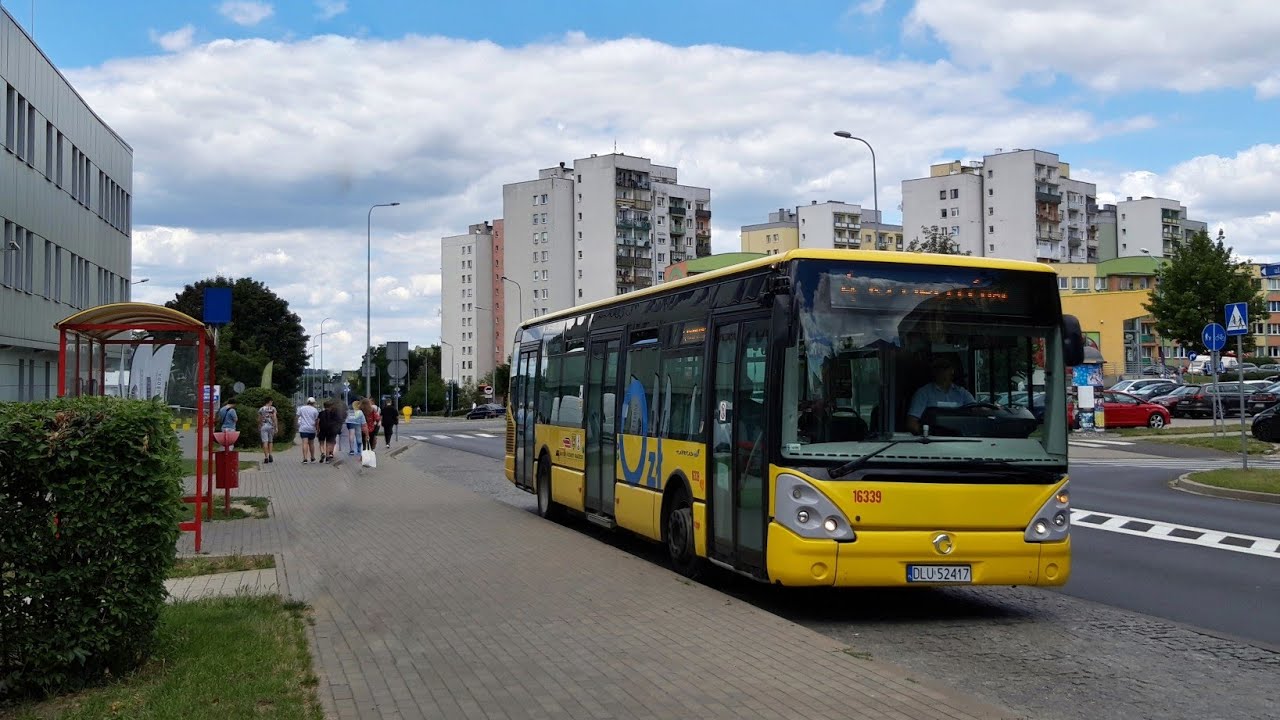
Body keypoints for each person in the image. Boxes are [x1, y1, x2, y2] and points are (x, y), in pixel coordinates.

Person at [906, 356, 976, 435]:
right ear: (933, 371)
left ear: (952, 370)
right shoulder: (923, 393)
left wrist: (989, 411)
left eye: (945, 367)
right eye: (938, 368)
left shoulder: (962, 393)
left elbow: (977, 410)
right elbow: (912, 423)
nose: (941, 371)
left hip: (961, 440)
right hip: (933, 441)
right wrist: (926, 436)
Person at [297, 397, 320, 463]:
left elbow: (297, 416)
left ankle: (305, 459)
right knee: (311, 444)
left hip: (303, 428)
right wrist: (317, 429)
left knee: (304, 443)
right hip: (311, 429)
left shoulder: (301, 408)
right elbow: (316, 421)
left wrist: (296, 425)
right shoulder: (315, 410)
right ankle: (312, 458)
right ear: (313, 403)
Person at [258, 397, 280, 463]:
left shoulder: (261, 409)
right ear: (270, 401)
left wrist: (259, 425)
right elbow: (275, 418)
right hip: (271, 427)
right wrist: (276, 427)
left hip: (264, 426)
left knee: (265, 442)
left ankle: (266, 457)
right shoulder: (273, 409)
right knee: (270, 441)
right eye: (272, 402)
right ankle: (270, 455)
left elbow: (259, 419)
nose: (272, 403)